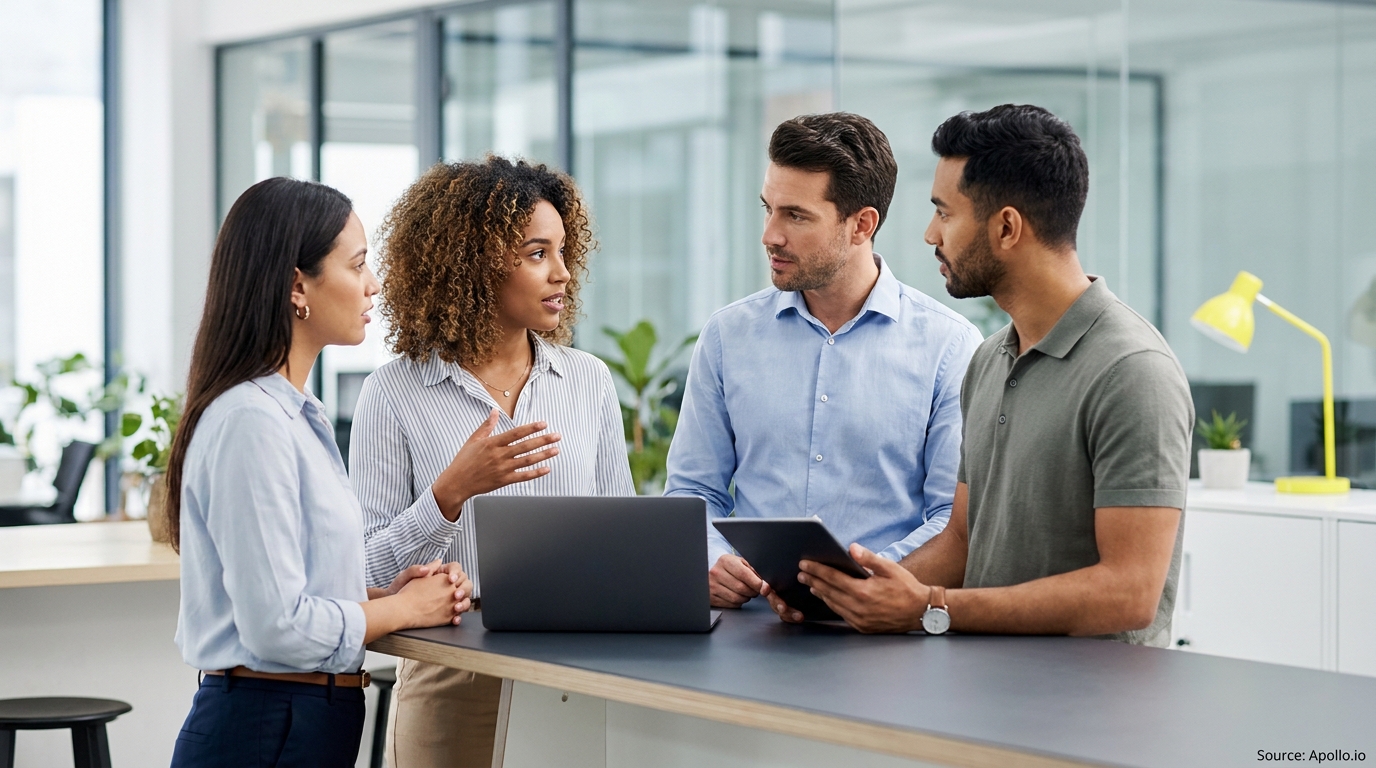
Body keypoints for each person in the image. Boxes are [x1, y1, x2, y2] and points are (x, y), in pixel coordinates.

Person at [774, 104, 1193, 647]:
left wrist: (930, 606)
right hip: (986, 692)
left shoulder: (1132, 372)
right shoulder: (990, 359)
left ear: (1007, 227)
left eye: (944, 213)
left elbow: (1130, 592)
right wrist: (846, 596)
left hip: (1093, 714)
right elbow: (963, 541)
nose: (929, 234)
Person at [168, 177, 472, 767]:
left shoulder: (293, 414)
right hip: (266, 726)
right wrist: (406, 611)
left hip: (300, 722)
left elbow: (291, 592)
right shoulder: (251, 421)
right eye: (357, 265)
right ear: (295, 284)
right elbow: (277, 627)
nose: (374, 285)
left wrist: (378, 594)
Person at [351, 156, 635, 767]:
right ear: (470, 266)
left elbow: (627, 541)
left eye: (563, 252)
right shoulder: (394, 393)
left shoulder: (588, 382)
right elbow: (362, 567)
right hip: (452, 677)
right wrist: (447, 495)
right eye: (537, 254)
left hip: (576, 679)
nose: (561, 274)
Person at [664, 112, 982, 610]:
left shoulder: (950, 346)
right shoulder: (727, 336)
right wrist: (711, 558)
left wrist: (857, 585)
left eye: (795, 215)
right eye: (768, 209)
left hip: (881, 641)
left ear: (862, 225)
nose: (770, 234)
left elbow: (951, 518)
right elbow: (691, 490)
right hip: (748, 633)